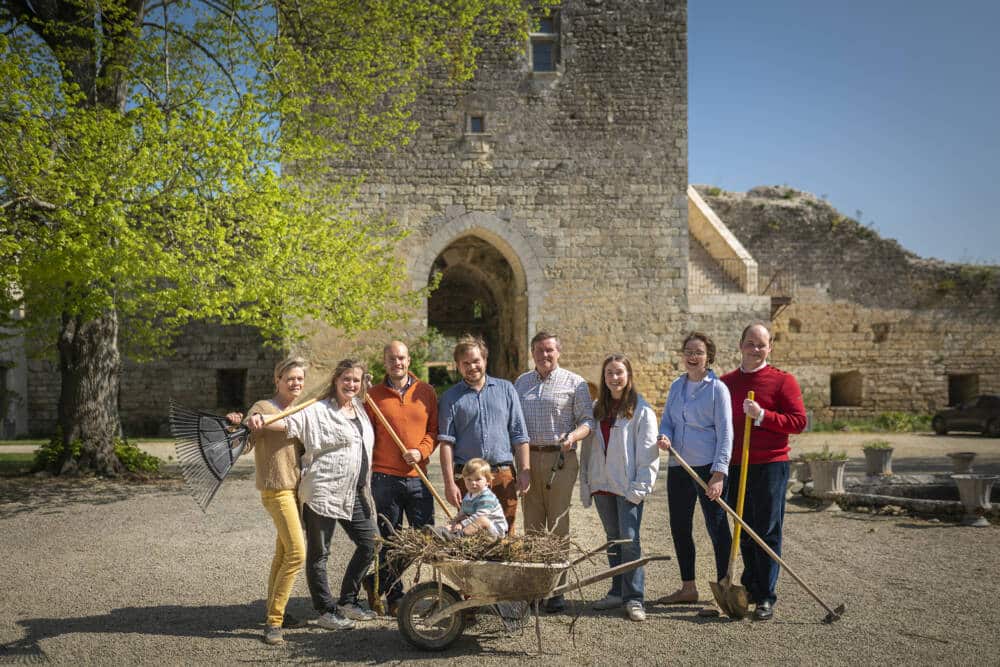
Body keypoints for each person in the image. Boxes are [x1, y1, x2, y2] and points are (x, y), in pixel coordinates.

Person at [248, 358, 377, 632]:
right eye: (346, 379)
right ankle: (325, 610)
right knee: (318, 553)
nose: (351, 384)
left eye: (356, 380)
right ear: (336, 380)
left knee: (370, 543)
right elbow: (287, 423)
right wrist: (259, 420)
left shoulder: (361, 409)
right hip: (323, 490)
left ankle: (349, 600)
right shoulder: (317, 409)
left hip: (353, 490)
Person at [720, 323, 807, 621]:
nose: (755, 349)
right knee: (743, 529)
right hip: (735, 464)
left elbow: (798, 422)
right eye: (750, 343)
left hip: (770, 463)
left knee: (767, 530)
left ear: (770, 347)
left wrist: (762, 416)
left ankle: (766, 596)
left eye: (761, 344)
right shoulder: (726, 383)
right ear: (740, 344)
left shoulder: (784, 382)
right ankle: (751, 587)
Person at [226, 357, 308, 646]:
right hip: (276, 489)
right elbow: (243, 445)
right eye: (290, 378)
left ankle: (277, 612)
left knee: (283, 553)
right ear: (277, 379)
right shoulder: (262, 409)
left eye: (300, 378)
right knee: (298, 554)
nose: (296, 383)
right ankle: (274, 622)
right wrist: (238, 427)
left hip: (298, 490)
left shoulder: (301, 408)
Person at [514, 331, 593, 612]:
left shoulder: (575, 383)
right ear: (532, 353)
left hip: (561, 459)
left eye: (549, 350)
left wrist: (573, 437)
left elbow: (587, 421)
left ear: (558, 351)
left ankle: (557, 589)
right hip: (528, 459)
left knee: (558, 523)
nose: (544, 355)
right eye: (539, 350)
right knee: (533, 525)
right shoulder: (521, 383)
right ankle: (536, 588)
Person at [579, 353, 660, 622]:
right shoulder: (596, 408)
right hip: (603, 484)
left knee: (630, 540)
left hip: (627, 487)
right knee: (613, 539)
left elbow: (648, 454)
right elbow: (588, 449)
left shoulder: (641, 410)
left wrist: (640, 488)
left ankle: (634, 597)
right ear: (604, 378)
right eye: (610, 373)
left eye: (619, 372)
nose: (614, 377)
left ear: (628, 376)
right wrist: (587, 482)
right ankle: (616, 591)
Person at [656, 333, 734, 609]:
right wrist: (664, 436)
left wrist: (719, 473)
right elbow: (666, 422)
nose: (692, 356)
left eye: (698, 352)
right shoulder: (677, 386)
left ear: (708, 356)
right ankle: (688, 587)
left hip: (706, 468)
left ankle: (724, 587)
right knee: (679, 526)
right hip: (679, 466)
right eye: (688, 351)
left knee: (717, 528)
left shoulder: (717, 389)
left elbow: (726, 433)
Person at [362, 341, 438, 617]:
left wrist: (421, 451)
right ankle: (395, 597)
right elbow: (365, 436)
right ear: (385, 362)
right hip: (385, 478)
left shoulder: (426, 392)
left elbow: (434, 430)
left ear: (409, 360)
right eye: (392, 358)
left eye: (402, 358)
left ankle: (374, 581)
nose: (398, 363)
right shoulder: (372, 396)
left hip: (418, 477)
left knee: (424, 538)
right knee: (391, 540)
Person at [438, 335, 531, 533]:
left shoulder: (506, 389)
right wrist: (449, 483)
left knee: (505, 533)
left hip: (503, 475)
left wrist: (524, 470)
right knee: (469, 536)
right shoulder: (450, 398)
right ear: (458, 365)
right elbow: (446, 443)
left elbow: (519, 434)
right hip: (468, 478)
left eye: (476, 361)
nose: (472, 367)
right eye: (466, 363)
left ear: (485, 360)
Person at [448, 458, 509, 537]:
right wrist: (455, 521)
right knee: (457, 521)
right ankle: (443, 532)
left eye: (478, 479)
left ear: (487, 481)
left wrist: (462, 524)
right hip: (476, 525)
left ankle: (458, 536)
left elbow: (480, 515)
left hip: (495, 529)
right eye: (469, 479)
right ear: (464, 480)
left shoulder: (487, 497)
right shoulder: (468, 496)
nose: (473, 483)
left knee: (481, 519)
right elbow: (463, 512)